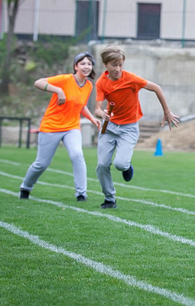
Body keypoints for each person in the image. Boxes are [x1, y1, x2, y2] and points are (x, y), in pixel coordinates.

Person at [94, 46, 180, 209]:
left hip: (129, 127)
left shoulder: (131, 78)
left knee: (120, 164)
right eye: (114, 65)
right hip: (109, 127)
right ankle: (109, 198)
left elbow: (156, 88)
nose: (118, 69)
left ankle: (127, 165)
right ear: (105, 65)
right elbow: (97, 108)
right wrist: (102, 114)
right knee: (102, 165)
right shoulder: (101, 83)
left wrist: (167, 112)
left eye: (120, 64)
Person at [19, 52, 102, 201]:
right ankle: (26, 187)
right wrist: (58, 90)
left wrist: (92, 119)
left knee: (77, 155)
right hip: (51, 126)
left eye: (89, 64)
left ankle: (81, 194)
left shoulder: (89, 85)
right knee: (41, 164)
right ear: (76, 66)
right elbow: (38, 82)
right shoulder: (64, 79)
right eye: (82, 63)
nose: (86, 66)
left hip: (72, 127)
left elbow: (81, 105)